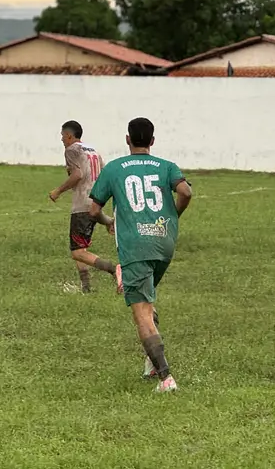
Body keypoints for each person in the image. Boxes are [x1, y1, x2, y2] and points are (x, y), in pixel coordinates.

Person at [89, 117, 193, 394]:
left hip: (136, 246)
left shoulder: (114, 168)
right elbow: (185, 191)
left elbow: (91, 210)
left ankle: (166, 379)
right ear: (153, 141)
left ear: (127, 139)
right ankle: (150, 363)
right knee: (148, 297)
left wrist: (108, 220)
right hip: (164, 242)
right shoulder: (166, 166)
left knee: (142, 315)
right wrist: (174, 215)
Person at [49, 120, 119, 293]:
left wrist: (58, 190)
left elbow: (77, 175)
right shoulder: (93, 151)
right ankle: (86, 288)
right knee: (80, 247)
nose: (62, 139)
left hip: (82, 205)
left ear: (69, 135)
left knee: (77, 252)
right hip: (95, 201)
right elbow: (103, 175)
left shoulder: (72, 150)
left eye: (62, 136)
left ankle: (114, 269)